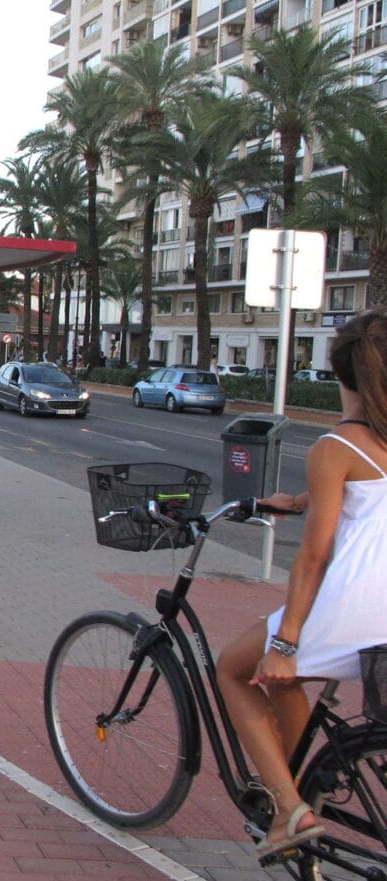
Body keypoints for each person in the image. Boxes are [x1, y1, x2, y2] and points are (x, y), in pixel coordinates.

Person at [217, 308, 387, 864]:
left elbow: (314, 556)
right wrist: (297, 500)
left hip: (356, 607)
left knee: (236, 668)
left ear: (342, 377)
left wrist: (287, 643)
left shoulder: (336, 446)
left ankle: (291, 809)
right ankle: (298, 780)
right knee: (284, 679)